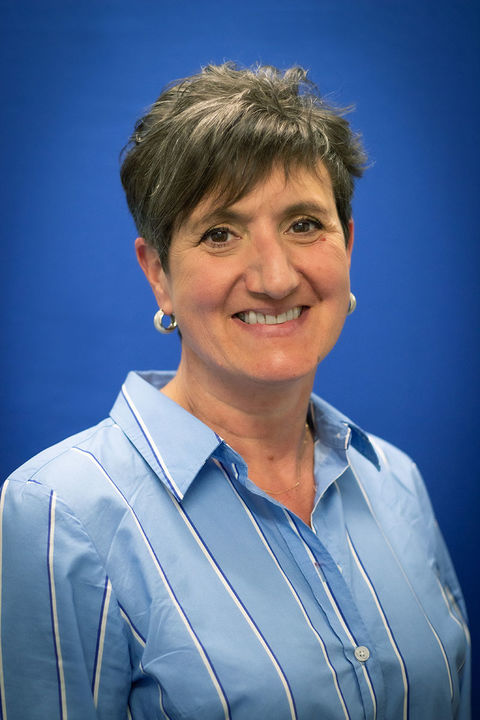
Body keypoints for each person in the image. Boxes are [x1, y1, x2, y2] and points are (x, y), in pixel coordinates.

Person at [0, 63, 470, 720]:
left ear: (348, 245)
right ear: (158, 273)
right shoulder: (60, 516)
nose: (276, 278)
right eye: (220, 232)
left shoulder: (395, 481)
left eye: (305, 224)